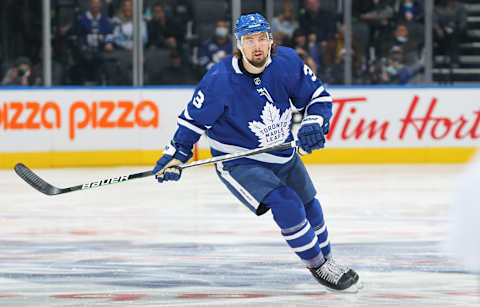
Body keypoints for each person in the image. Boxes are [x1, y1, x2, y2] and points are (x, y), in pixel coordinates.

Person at [152, 13, 360, 291]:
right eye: (250, 40)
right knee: (287, 204)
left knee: (311, 204)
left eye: (262, 38)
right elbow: (191, 122)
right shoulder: (219, 80)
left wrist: (314, 122)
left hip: (281, 152)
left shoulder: (285, 61)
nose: (257, 45)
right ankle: (318, 265)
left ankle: (328, 260)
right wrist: (175, 155)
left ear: (271, 40)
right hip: (241, 160)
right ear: (239, 44)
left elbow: (317, 97)